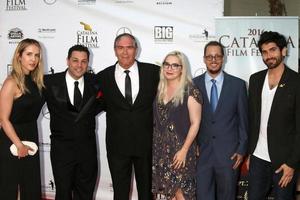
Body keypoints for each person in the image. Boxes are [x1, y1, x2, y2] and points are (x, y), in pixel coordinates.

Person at [96, 33, 160, 200]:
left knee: (146, 193)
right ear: (115, 50)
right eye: (120, 48)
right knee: (120, 193)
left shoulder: (153, 72)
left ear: (136, 50)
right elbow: (92, 106)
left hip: (146, 144)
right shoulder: (103, 77)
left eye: (129, 47)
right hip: (117, 146)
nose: (125, 52)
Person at [43, 44, 102, 200]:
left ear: (88, 62)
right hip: (61, 151)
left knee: (85, 194)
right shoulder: (49, 82)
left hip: (87, 151)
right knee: (63, 194)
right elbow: (29, 105)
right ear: (67, 61)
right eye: (75, 60)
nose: (79, 65)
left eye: (84, 61)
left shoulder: (96, 82)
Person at [247, 31, 300, 200]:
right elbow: (251, 119)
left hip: (284, 161)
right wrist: (250, 152)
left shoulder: (296, 82)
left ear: (283, 51)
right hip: (258, 158)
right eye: (264, 52)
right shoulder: (255, 80)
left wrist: (292, 164)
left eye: (273, 50)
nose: (268, 56)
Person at [193, 41, 248, 200]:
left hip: (229, 156)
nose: (213, 60)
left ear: (223, 58)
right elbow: (188, 120)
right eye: (209, 56)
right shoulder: (193, 84)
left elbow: (244, 120)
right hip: (201, 156)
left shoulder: (238, 85)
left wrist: (241, 149)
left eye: (217, 56)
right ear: (204, 59)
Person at [152, 51, 202, 199]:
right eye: (167, 64)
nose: (170, 68)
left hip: (181, 152)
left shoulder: (191, 91)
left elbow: (195, 123)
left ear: (182, 69)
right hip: (160, 152)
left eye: (175, 65)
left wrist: (184, 150)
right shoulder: (159, 90)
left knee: (181, 194)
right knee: (166, 194)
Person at [0, 38, 45, 200]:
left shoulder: (37, 81)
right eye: (29, 54)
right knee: (9, 187)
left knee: (31, 186)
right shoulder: (11, 83)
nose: (33, 59)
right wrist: (19, 145)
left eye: (37, 55)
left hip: (31, 135)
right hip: (12, 139)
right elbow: (3, 119)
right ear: (19, 56)